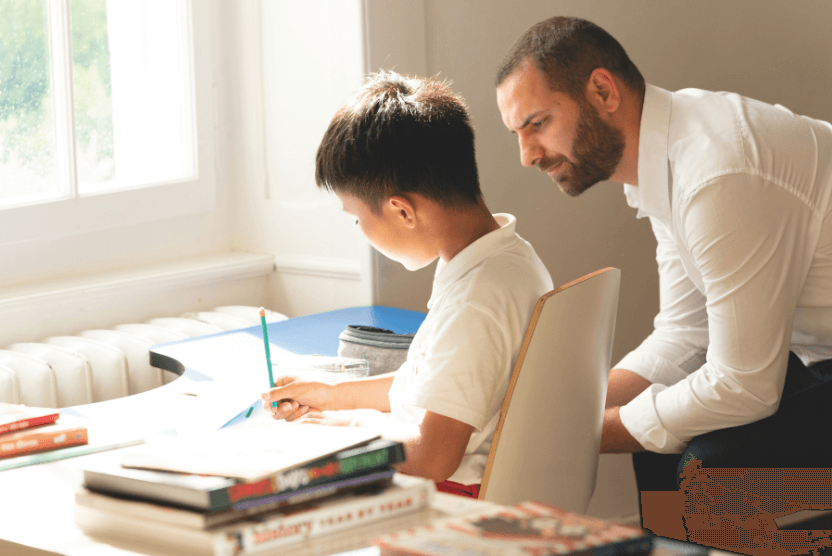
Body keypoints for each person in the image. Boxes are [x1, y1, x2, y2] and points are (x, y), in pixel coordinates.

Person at [495, 16, 832, 492]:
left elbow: (744, 387)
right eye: (518, 134)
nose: (528, 155)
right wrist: (562, 410)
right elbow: (685, 332)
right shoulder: (669, 154)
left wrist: (572, 435)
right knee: (654, 446)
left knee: (708, 466)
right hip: (815, 356)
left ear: (603, 92)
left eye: (538, 124)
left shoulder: (716, 173)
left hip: (816, 360)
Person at [261, 70, 553, 497]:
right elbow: (432, 388)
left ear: (402, 211)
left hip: (453, 499)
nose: (360, 228)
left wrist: (352, 424)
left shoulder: (476, 302)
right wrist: (334, 395)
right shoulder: (506, 259)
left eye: (358, 218)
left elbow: (432, 457)